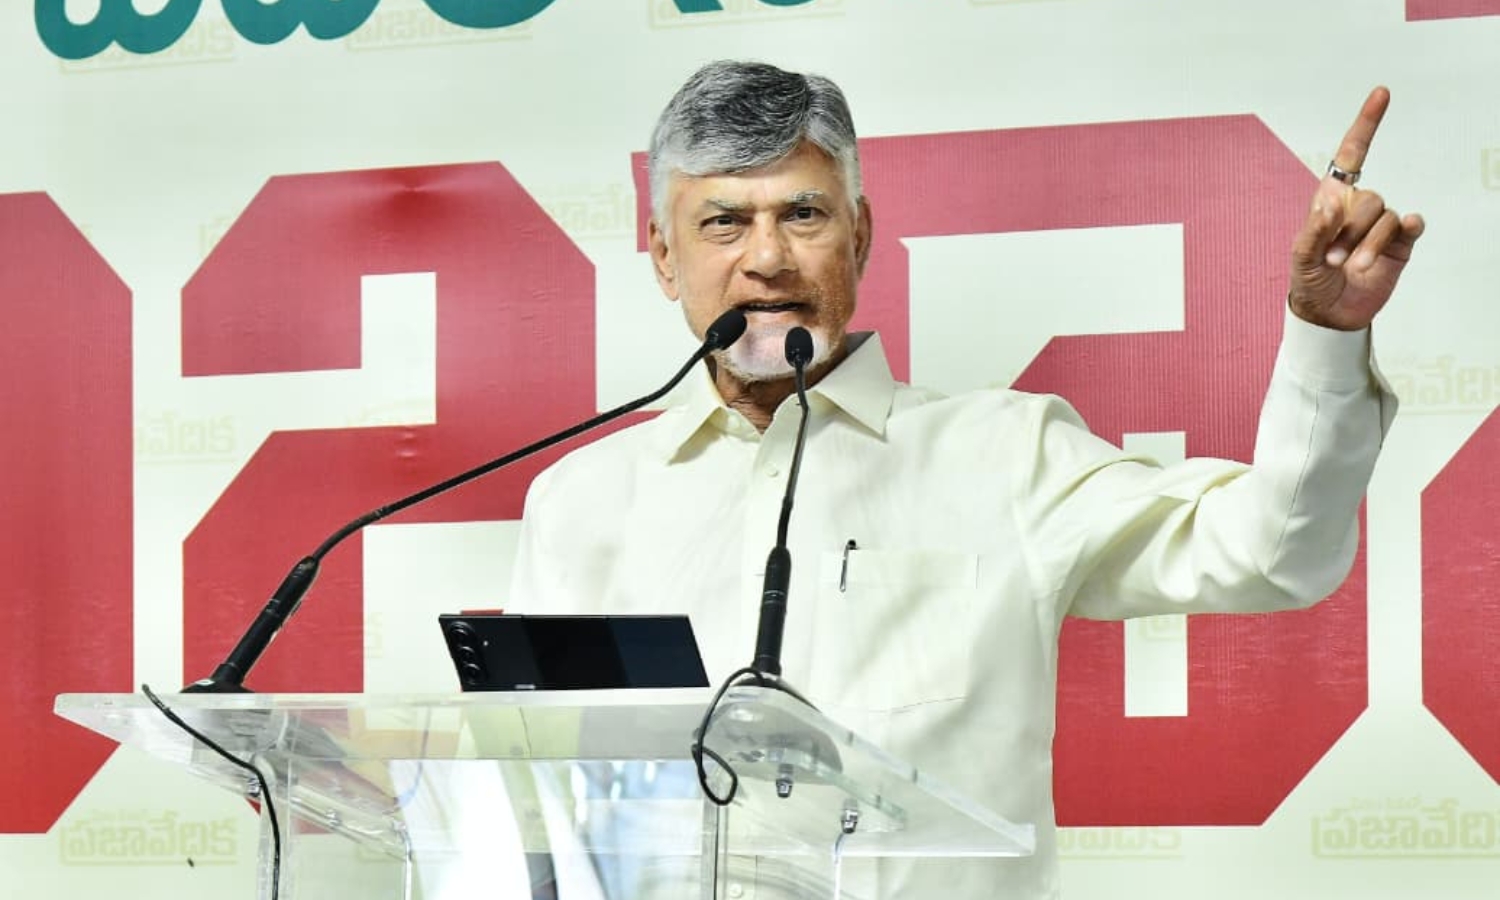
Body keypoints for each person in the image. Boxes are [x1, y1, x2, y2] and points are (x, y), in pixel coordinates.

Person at [510, 60, 1423, 899]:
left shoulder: (1007, 453)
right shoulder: (579, 502)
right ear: (663, 255)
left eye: (804, 214)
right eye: (723, 222)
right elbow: (535, 795)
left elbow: (1275, 552)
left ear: (860, 236)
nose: (768, 257)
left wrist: (1326, 333)